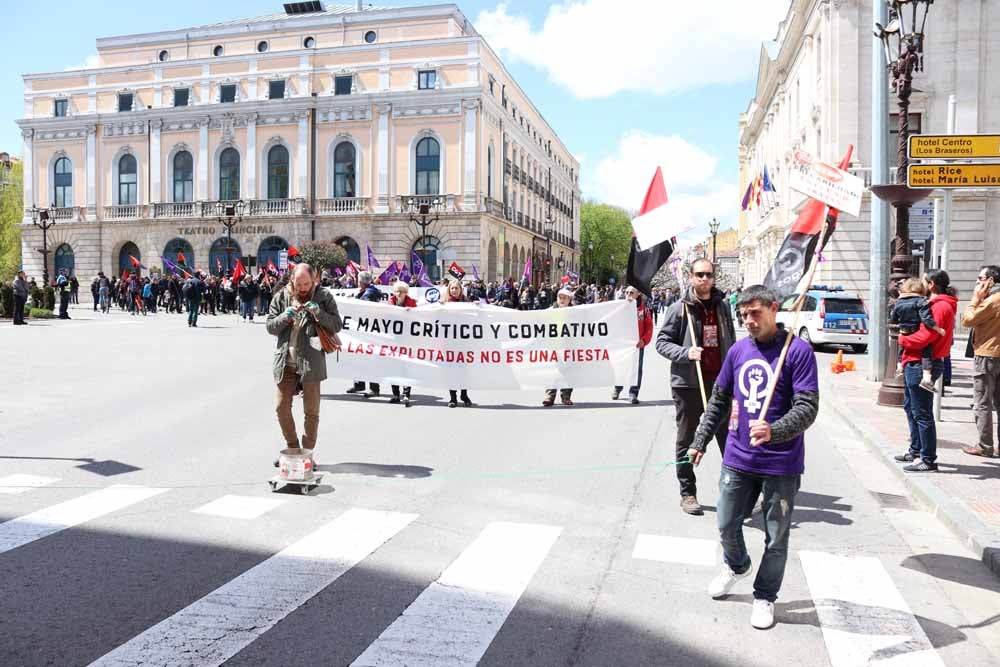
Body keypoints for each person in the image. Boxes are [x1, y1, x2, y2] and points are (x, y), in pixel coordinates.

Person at [688, 285, 819, 630]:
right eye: (743, 314)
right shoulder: (738, 351)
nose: (748, 320)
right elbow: (718, 399)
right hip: (738, 456)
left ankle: (765, 596)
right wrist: (700, 439)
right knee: (726, 524)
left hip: (782, 462)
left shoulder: (799, 351)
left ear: (774, 309)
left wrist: (775, 430)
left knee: (776, 538)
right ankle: (737, 564)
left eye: (755, 312)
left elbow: (808, 407)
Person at [656, 258, 736, 515]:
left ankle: (736, 491)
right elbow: (662, 342)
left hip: (720, 384)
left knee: (729, 438)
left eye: (709, 275)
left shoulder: (723, 307)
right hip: (688, 384)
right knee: (687, 439)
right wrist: (686, 352)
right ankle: (687, 492)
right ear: (691, 276)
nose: (704, 279)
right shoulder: (680, 309)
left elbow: (732, 342)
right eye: (700, 275)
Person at [267, 263, 343, 464]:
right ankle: (293, 449)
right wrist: (286, 316)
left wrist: (319, 313)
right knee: (281, 407)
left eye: (306, 283)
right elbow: (270, 326)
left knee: (311, 410)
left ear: (314, 280)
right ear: (292, 279)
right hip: (286, 362)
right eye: (298, 283)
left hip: (311, 362)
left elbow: (337, 324)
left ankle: (307, 454)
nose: (302, 287)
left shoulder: (324, 297)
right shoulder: (282, 296)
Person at [895, 269, 957, 472]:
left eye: (923, 282)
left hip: (922, 363)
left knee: (922, 412)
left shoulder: (940, 307)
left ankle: (928, 459)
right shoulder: (935, 305)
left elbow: (925, 337)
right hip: (914, 361)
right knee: (911, 407)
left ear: (931, 285)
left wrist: (903, 339)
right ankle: (916, 450)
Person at [960, 265, 1000, 459]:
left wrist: (976, 299)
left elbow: (968, 319)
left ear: (990, 281)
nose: (977, 282)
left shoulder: (993, 300)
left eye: (980, 278)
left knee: (982, 402)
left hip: (988, 355)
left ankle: (985, 445)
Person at [891, 277, 945, 392]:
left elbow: (893, 319)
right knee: (927, 351)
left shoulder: (899, 302)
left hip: (904, 331)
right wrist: (938, 328)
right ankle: (926, 377)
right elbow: (926, 318)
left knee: (903, 348)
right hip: (915, 330)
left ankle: (899, 366)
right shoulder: (920, 301)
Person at [613, 286, 654, 404]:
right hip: (622, 345)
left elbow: (649, 327)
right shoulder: (619, 308)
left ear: (638, 294)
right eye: (626, 292)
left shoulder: (644, 310)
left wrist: (644, 340)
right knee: (620, 366)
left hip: (637, 345)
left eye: (631, 292)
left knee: (636, 369)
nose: (628, 294)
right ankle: (617, 388)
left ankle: (633, 392)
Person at [347, 271, 383, 397]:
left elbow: (364, 309)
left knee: (370, 359)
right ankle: (359, 384)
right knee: (358, 358)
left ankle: (374, 388)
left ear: (361, 281)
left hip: (368, 332)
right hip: (362, 330)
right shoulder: (367, 291)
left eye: (358, 279)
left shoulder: (368, 294)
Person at [543, 287, 577, 406]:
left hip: (569, 346)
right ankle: (550, 395)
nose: (562, 300)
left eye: (565, 298)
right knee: (553, 370)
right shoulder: (549, 311)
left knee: (569, 371)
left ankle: (566, 396)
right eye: (560, 297)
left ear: (569, 300)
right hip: (553, 346)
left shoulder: (576, 312)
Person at [443, 279, 473, 407]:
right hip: (449, 343)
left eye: (456, 288)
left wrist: (477, 306)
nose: (454, 290)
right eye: (452, 288)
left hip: (463, 343)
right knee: (452, 371)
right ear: (449, 290)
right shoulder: (444, 304)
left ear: (461, 289)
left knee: (463, 371)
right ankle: (453, 397)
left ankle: (464, 394)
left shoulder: (467, 303)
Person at [388, 281, 417, 407]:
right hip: (393, 340)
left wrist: (411, 312)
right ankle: (395, 393)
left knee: (406, 367)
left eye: (401, 291)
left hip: (407, 340)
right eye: (397, 291)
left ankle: (406, 393)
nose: (399, 294)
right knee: (393, 366)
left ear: (406, 293)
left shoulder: (412, 303)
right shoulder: (390, 302)